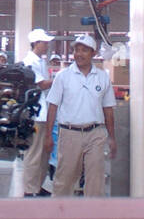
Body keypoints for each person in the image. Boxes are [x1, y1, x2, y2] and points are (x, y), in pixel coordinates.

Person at [45, 34, 116, 197]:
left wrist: (112, 138)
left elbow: (108, 110)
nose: (79, 54)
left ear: (93, 53)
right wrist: (48, 136)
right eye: (76, 50)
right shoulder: (63, 76)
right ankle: (59, 215)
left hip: (96, 134)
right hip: (70, 134)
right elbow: (52, 107)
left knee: (95, 180)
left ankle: (93, 217)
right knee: (65, 178)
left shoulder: (102, 77)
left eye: (84, 50)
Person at [18, 27, 55, 197]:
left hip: (44, 112)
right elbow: (42, 84)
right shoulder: (30, 62)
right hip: (36, 114)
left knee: (44, 153)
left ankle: (37, 186)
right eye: (44, 43)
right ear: (36, 43)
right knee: (34, 153)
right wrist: (60, 78)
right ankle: (29, 190)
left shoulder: (40, 61)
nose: (47, 45)